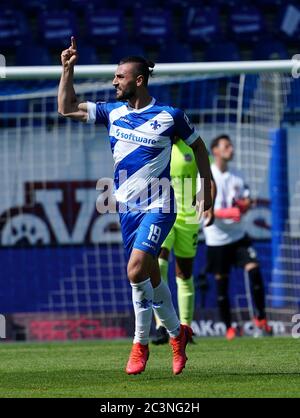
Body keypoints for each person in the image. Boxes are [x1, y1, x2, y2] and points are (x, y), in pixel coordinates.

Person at [58, 37, 213, 374]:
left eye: (119, 76)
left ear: (138, 80)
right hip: (126, 208)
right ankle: (177, 334)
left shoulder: (170, 116)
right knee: (151, 277)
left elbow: (200, 148)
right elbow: (67, 108)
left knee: (134, 270)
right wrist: (67, 69)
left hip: (160, 203)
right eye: (114, 77)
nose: (114, 81)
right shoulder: (112, 112)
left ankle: (139, 343)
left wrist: (207, 188)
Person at [203, 134, 272, 340]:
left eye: (231, 146)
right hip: (217, 239)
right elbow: (203, 210)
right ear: (215, 151)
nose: (231, 149)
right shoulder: (207, 176)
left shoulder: (237, 175)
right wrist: (227, 212)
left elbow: (247, 199)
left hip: (239, 236)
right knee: (222, 285)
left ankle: (261, 318)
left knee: (254, 269)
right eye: (226, 146)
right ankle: (229, 328)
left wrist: (246, 204)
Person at [152, 137, 215, 345]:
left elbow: (209, 179)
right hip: (163, 213)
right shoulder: (158, 146)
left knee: (184, 273)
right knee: (158, 262)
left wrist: (209, 205)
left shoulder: (194, 147)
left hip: (189, 218)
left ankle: (186, 327)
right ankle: (162, 325)